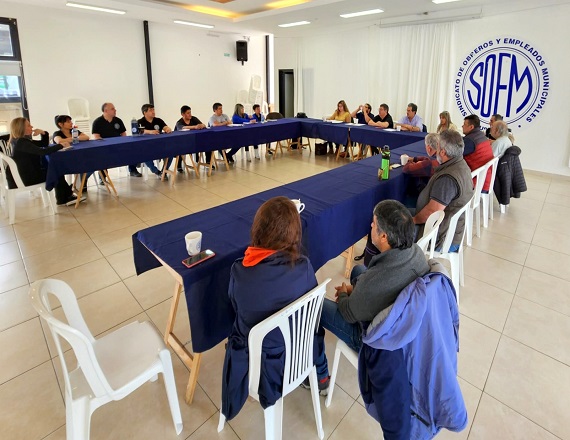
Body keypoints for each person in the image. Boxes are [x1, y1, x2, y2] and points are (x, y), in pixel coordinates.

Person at [308, 200, 430, 395]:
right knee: (359, 269)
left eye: (373, 224)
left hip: (373, 340)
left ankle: (320, 375)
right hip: (395, 307)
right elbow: (368, 281)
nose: (370, 226)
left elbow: (348, 313)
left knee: (316, 307)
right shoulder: (414, 251)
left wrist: (342, 293)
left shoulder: (377, 280)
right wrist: (353, 289)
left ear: (383, 236)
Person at [221, 196, 318, 420]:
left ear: (257, 230)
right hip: (298, 355)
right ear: (294, 234)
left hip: (259, 365)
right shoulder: (304, 267)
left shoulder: (240, 272)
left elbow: (235, 308)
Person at [413, 129, 475, 252]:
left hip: (439, 235)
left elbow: (432, 212)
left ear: (442, 152)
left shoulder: (448, 178)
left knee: (389, 228)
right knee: (397, 212)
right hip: (449, 229)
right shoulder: (460, 164)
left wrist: (413, 220)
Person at [6, 117, 83, 206]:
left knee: (55, 169)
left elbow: (43, 144)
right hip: (27, 178)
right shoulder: (22, 142)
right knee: (56, 170)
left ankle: (66, 196)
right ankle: (63, 198)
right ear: (22, 128)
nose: (32, 126)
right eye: (28, 125)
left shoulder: (18, 141)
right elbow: (42, 151)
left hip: (23, 174)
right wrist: (60, 145)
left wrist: (43, 133)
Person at [92, 102, 141, 179]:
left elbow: (123, 134)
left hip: (119, 145)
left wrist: (123, 143)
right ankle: (102, 177)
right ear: (105, 111)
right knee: (101, 155)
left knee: (133, 149)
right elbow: (96, 137)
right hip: (105, 146)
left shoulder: (118, 120)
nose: (115, 110)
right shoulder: (97, 122)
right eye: (112, 109)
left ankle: (133, 169)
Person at [53, 114, 91, 192]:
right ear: (60, 124)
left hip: (79, 156)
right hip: (65, 159)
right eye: (68, 122)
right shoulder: (57, 133)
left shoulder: (74, 131)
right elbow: (59, 141)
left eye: (70, 121)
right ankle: (79, 183)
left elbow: (86, 137)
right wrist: (75, 139)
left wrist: (70, 139)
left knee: (92, 163)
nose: (71, 123)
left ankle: (81, 181)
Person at [137, 103, 172, 180]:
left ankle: (164, 171)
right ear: (144, 112)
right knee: (145, 155)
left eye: (153, 110)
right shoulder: (140, 121)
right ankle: (156, 171)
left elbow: (165, 126)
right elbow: (141, 131)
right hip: (147, 146)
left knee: (171, 153)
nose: (153, 112)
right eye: (150, 110)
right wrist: (151, 132)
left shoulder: (158, 120)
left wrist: (167, 129)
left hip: (160, 144)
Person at [462, 114, 494, 192]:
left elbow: (455, 155)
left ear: (471, 127)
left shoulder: (470, 141)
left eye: (464, 124)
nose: (462, 126)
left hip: (477, 182)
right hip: (485, 179)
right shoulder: (481, 136)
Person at [175, 105, 207, 170]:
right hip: (182, 142)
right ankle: (179, 165)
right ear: (183, 114)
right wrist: (194, 127)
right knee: (180, 148)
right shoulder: (179, 122)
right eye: (188, 113)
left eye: (190, 112)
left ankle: (208, 162)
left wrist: (201, 125)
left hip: (194, 140)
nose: (190, 114)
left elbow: (202, 125)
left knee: (207, 142)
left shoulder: (194, 118)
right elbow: (181, 127)